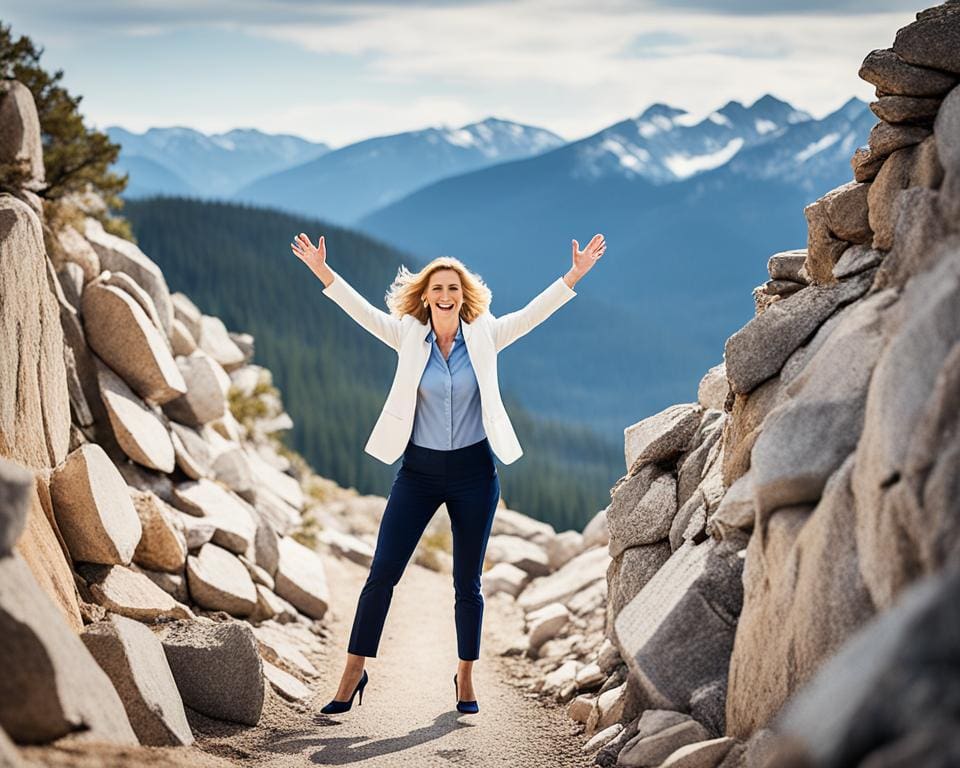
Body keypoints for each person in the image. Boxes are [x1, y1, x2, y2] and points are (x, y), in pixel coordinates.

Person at [290, 231, 606, 716]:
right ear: (424, 296)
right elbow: (359, 310)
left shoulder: (486, 334)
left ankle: (464, 677)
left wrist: (575, 275)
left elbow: (534, 314)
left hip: (474, 473)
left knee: (467, 583)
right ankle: (353, 672)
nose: (444, 296)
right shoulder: (406, 334)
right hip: (417, 471)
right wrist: (320, 270)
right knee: (382, 573)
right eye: (436, 289)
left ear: (464, 296)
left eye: (453, 289)